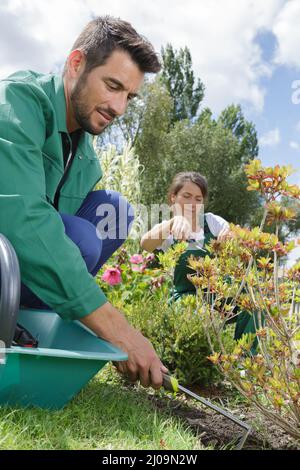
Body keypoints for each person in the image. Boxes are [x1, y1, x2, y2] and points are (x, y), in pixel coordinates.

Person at [0, 16, 168, 388]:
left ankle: (31, 327)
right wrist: (115, 328)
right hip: (4, 257)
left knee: (115, 211)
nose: (120, 107)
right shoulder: (16, 102)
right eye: (113, 86)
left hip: (23, 272)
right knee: (81, 236)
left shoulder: (86, 155)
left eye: (129, 96)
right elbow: (23, 221)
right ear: (77, 64)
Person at [141, 172, 262, 349]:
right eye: (186, 196)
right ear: (173, 198)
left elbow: (234, 238)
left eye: (198, 199)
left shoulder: (212, 221)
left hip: (219, 295)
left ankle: (244, 362)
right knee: (199, 319)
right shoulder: (167, 228)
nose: (192, 203)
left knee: (254, 304)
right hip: (186, 299)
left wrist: (231, 237)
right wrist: (174, 222)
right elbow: (145, 243)